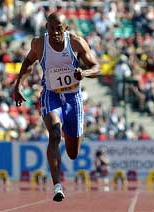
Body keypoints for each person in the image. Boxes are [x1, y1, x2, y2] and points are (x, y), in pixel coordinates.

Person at [13, 12, 100, 202]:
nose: (55, 33)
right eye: (51, 29)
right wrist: (18, 84)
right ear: (46, 28)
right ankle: (57, 186)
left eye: (59, 28)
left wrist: (83, 73)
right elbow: (28, 62)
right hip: (51, 95)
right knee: (54, 133)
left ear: (66, 29)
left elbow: (97, 67)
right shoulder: (39, 43)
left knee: (73, 153)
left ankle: (76, 132)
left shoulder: (76, 42)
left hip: (73, 98)